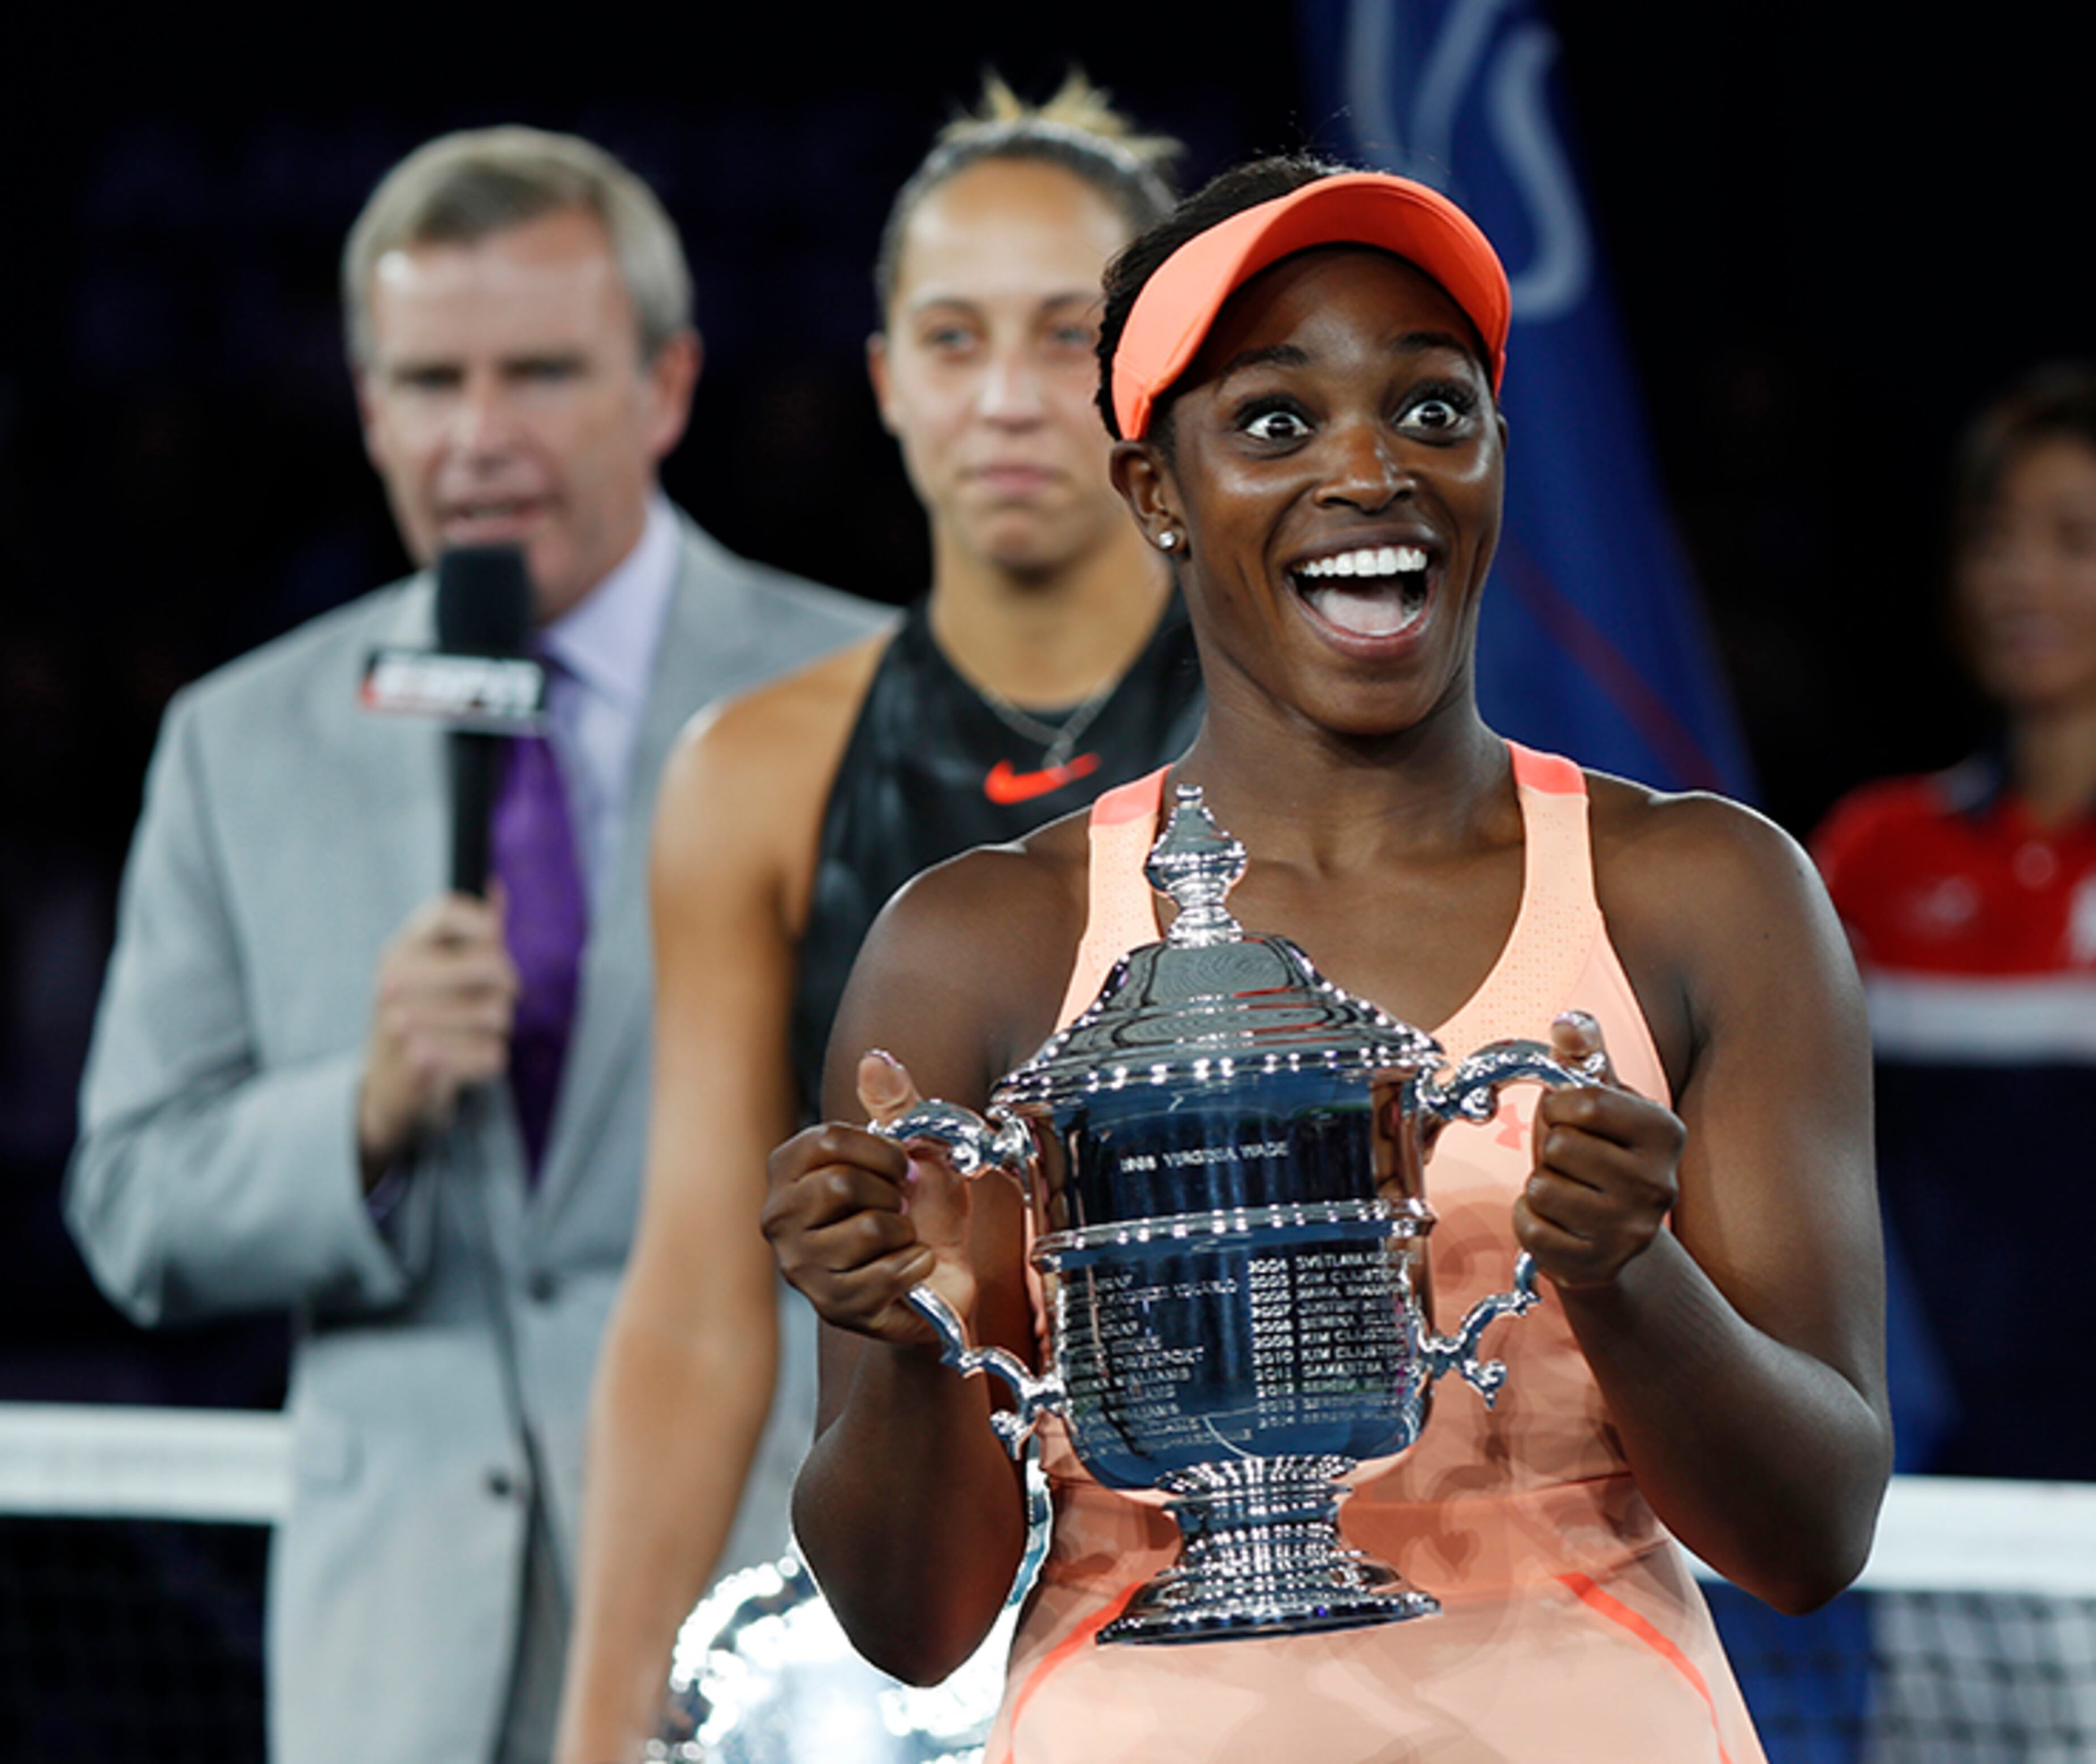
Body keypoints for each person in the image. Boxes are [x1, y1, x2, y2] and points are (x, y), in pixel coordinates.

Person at [764, 157, 1892, 1761]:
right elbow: (913, 1617)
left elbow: (1814, 1533)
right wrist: (898, 1329)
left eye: (1435, 409)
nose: (1371, 467)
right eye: (1277, 421)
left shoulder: (1707, 893)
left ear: (1501, 451)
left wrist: (1631, 1271)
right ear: (1155, 488)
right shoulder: (976, 945)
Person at [63, 127, 882, 1764]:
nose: (481, 435)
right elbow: (130, 1202)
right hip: (398, 1656)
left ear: (666, 384)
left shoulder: (862, 698)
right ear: (368, 406)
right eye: (431, 380)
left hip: (770, 1620)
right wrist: (355, 1113)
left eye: (542, 373)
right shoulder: (243, 741)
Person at [554, 77, 1201, 1763]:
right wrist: (601, 1719)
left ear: (1160, 375)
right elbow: (698, 1293)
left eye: (1067, 335)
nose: (1003, 396)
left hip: (1243, 1602)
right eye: (950, 335)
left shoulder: (1313, 751)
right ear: (885, 381)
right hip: (881, 1629)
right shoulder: (756, 773)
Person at [1812, 364, 2096, 1481]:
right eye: (1994, 539)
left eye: (2072, 538)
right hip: (1935, 1481)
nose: (2020, 577)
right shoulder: (1874, 850)